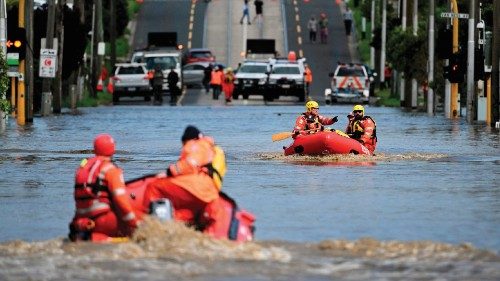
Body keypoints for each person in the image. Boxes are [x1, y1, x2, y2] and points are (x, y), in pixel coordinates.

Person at [143, 126, 227, 237]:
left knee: (153, 186)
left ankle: (148, 226)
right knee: (184, 211)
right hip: (209, 192)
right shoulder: (210, 148)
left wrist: (169, 172)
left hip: (198, 187)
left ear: (187, 140)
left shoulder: (197, 145)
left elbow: (189, 164)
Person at [69, 134, 140, 242]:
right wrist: (135, 224)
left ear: (95, 148)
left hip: (81, 222)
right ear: (113, 149)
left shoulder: (82, 168)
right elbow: (121, 201)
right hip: (102, 221)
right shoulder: (110, 169)